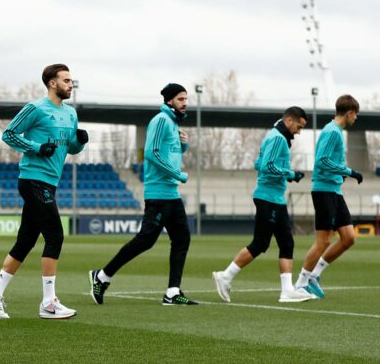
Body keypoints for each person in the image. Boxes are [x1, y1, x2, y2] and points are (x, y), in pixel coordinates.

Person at [0, 64, 87, 319]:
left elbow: (70, 149)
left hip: (51, 182)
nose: (71, 84)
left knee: (26, 241)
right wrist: (37, 147)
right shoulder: (35, 108)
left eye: (72, 81)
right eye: (66, 80)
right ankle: (49, 303)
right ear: (52, 83)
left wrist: (79, 141)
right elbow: (9, 135)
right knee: (55, 236)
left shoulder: (70, 114)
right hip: (32, 180)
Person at [89, 83, 197, 306]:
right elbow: (151, 154)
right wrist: (177, 173)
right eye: (180, 99)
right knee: (145, 241)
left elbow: (170, 153)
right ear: (169, 101)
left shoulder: (172, 123)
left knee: (182, 239)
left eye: (186, 99)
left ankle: (172, 292)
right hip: (158, 194)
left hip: (171, 194)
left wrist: (183, 147)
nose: (185, 103)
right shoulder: (160, 121)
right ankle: (101, 277)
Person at [212, 107, 313, 303]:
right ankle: (225, 276)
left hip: (275, 198)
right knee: (260, 243)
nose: (299, 131)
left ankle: (287, 291)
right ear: (290, 121)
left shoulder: (274, 135)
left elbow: (258, 163)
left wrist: (284, 172)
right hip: (269, 198)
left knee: (286, 242)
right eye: (299, 127)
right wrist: (290, 174)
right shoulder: (277, 138)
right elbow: (267, 166)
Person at [294, 95, 362, 298]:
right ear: (350, 113)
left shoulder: (336, 132)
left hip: (334, 191)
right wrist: (349, 171)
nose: (356, 119)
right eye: (355, 115)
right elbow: (322, 161)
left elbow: (329, 162)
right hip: (324, 191)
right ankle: (300, 283)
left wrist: (340, 173)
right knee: (323, 240)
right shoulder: (332, 131)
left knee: (349, 238)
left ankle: (314, 275)